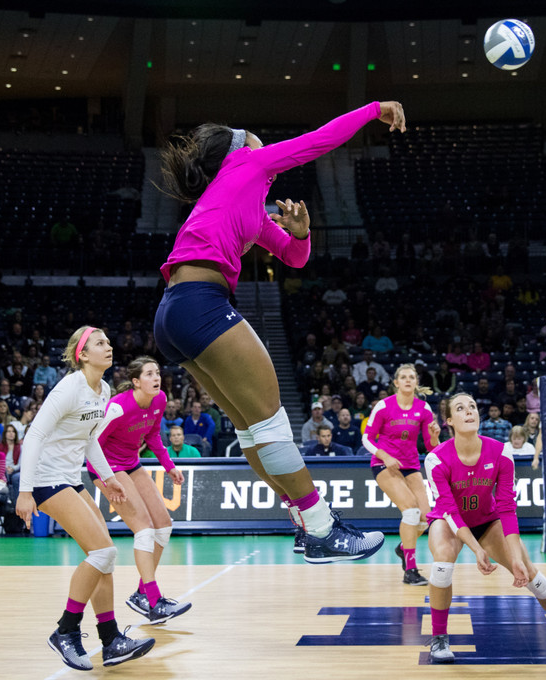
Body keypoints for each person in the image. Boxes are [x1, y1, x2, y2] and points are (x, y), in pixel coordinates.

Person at [155, 101, 405, 564]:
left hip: (174, 312)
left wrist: (302, 233)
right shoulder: (246, 163)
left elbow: (293, 257)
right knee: (272, 422)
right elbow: (317, 142)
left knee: (252, 428)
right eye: (251, 133)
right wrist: (374, 109)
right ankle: (324, 530)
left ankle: (301, 520)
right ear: (238, 147)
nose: (260, 138)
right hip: (200, 304)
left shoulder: (243, 200)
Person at [422, 393, 546, 663]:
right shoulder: (436, 459)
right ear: (449, 421)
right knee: (442, 564)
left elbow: (506, 507)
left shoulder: (501, 451)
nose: (469, 411)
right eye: (460, 408)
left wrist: (516, 557)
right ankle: (439, 639)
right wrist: (476, 549)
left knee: (531, 575)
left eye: (472, 406)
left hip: (488, 519)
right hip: (450, 523)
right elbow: (450, 511)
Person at [15, 327, 154, 670]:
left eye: (108, 342)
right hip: (46, 480)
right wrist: (25, 491)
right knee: (103, 551)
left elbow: (91, 440)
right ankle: (66, 631)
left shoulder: (104, 389)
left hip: (69, 478)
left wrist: (107, 478)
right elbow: (33, 437)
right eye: (100, 343)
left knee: (105, 557)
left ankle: (110, 641)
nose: (109, 347)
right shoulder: (69, 388)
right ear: (82, 354)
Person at [90, 356, 192, 625]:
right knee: (144, 529)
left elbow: (153, 435)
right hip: (107, 467)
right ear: (135, 382)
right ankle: (155, 601)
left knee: (163, 526)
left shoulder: (159, 400)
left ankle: (142, 594)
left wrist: (169, 466)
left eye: (157, 372)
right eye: (149, 374)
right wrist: (106, 479)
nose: (156, 378)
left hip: (131, 463)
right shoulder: (117, 408)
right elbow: (92, 446)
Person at [363, 364, 441, 585]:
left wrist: (435, 436)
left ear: (416, 382)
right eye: (403, 377)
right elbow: (367, 438)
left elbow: (431, 447)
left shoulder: (424, 409)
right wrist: (385, 456)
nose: (408, 380)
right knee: (411, 510)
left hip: (411, 466)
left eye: (412, 377)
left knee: (426, 519)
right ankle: (411, 570)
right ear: (396, 383)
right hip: (384, 464)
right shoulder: (383, 406)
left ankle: (403, 547)